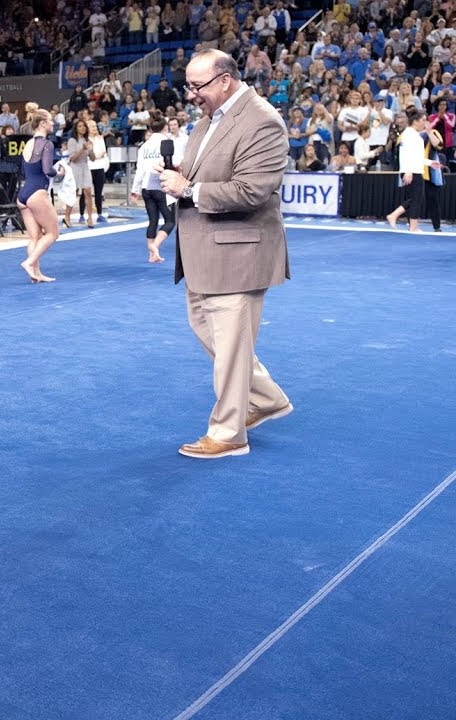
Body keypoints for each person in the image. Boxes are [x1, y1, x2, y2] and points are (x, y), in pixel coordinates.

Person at [157, 49, 292, 459]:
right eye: (189, 86)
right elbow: (203, 170)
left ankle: (229, 433)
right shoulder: (209, 118)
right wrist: (178, 174)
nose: (191, 95)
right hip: (201, 252)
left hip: (238, 250)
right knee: (213, 335)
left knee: (231, 346)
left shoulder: (262, 120)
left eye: (197, 86)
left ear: (225, 80)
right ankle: (267, 399)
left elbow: (253, 190)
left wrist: (189, 189)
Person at [16, 108, 60, 283]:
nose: (53, 123)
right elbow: (47, 170)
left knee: (34, 237)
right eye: (50, 120)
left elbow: (24, 169)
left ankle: (36, 274)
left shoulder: (28, 143)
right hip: (37, 192)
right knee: (53, 233)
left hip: (23, 195)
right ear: (42, 123)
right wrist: (60, 172)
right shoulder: (47, 144)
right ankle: (29, 262)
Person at [131, 112, 181, 264]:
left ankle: (151, 255)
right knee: (170, 220)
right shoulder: (167, 142)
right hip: (161, 185)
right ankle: (155, 246)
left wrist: (135, 190)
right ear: (166, 127)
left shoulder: (144, 146)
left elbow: (139, 170)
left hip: (146, 186)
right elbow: (176, 162)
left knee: (152, 220)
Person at [385, 109, 439, 233]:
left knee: (416, 198)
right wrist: (408, 171)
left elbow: (417, 156)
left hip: (415, 169)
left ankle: (395, 216)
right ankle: (412, 226)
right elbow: (407, 155)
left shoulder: (413, 134)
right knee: (416, 199)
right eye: (423, 120)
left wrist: (430, 163)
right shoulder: (409, 134)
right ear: (415, 121)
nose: (425, 123)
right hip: (412, 170)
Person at [67, 121, 96, 228]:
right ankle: (67, 217)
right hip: (75, 168)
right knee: (73, 193)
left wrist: (91, 150)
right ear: (76, 128)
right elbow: (73, 159)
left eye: (84, 126)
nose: (82, 127)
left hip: (85, 167)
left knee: (88, 191)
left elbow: (93, 159)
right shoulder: (72, 140)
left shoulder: (88, 140)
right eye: (79, 126)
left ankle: (90, 218)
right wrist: (82, 149)